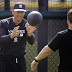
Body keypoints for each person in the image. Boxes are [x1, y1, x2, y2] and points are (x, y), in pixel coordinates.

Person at [0, 2, 36, 72]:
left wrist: (30, 34)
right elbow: (0, 39)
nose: (20, 14)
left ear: (24, 13)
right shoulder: (4, 23)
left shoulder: (27, 25)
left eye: (22, 12)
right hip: (4, 59)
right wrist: (11, 36)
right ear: (13, 11)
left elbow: (31, 42)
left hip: (19, 59)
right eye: (18, 12)